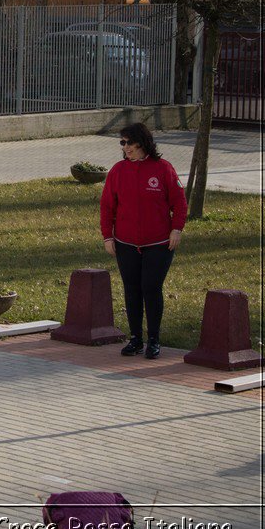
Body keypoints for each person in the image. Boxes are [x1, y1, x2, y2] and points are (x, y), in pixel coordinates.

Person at [100, 123, 187, 360]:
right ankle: (136, 338)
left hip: (158, 243)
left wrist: (176, 229)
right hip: (126, 242)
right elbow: (107, 206)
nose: (125, 147)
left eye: (129, 142)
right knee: (132, 289)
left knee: (151, 287)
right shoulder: (118, 171)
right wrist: (108, 235)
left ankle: (154, 340)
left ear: (142, 142)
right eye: (122, 143)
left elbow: (179, 202)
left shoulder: (163, 169)